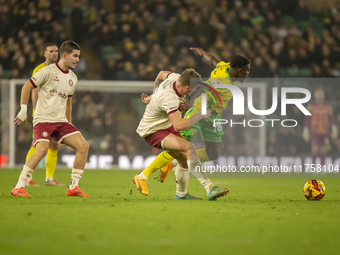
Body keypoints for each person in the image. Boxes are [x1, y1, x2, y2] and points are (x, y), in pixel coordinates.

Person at [139, 47, 250, 184]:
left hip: (213, 115)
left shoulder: (225, 67)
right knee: (179, 146)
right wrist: (190, 103)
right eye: (247, 71)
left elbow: (214, 61)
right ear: (240, 70)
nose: (247, 74)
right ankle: (146, 175)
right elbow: (204, 87)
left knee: (213, 154)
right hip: (199, 109)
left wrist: (203, 53)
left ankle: (172, 164)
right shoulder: (222, 80)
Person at [133, 68, 230, 200]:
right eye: (192, 90)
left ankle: (181, 194)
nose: (193, 92)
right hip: (153, 130)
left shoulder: (175, 78)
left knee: (183, 159)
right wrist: (199, 116)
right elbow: (178, 125)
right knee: (190, 148)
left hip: (165, 125)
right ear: (186, 87)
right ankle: (210, 188)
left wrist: (154, 93)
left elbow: (161, 73)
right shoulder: (170, 98)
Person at [11, 41, 90, 197]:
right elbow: (27, 87)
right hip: (43, 119)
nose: (77, 60)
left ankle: (73, 187)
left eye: (78, 56)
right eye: (75, 56)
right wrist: (23, 110)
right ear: (65, 55)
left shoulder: (73, 78)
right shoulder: (47, 71)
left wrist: (68, 122)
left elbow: (68, 102)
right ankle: (19, 186)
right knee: (42, 150)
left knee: (83, 146)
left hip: (61, 122)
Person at [25, 42, 64, 187]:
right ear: (45, 54)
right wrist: (37, 112)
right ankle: (28, 178)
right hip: (41, 114)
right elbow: (34, 92)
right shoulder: (39, 69)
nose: (54, 53)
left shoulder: (59, 70)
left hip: (55, 114)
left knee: (54, 145)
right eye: (51, 51)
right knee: (36, 144)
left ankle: (49, 179)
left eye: (56, 51)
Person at [303, 87, 337, 165]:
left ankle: (322, 168)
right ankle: (314, 167)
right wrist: (306, 130)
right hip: (315, 131)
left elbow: (331, 118)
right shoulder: (311, 106)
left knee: (323, 150)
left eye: (321, 93)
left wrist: (334, 128)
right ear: (315, 95)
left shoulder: (327, 107)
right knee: (314, 150)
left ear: (323, 95)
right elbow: (307, 119)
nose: (319, 95)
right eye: (318, 93)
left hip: (325, 131)